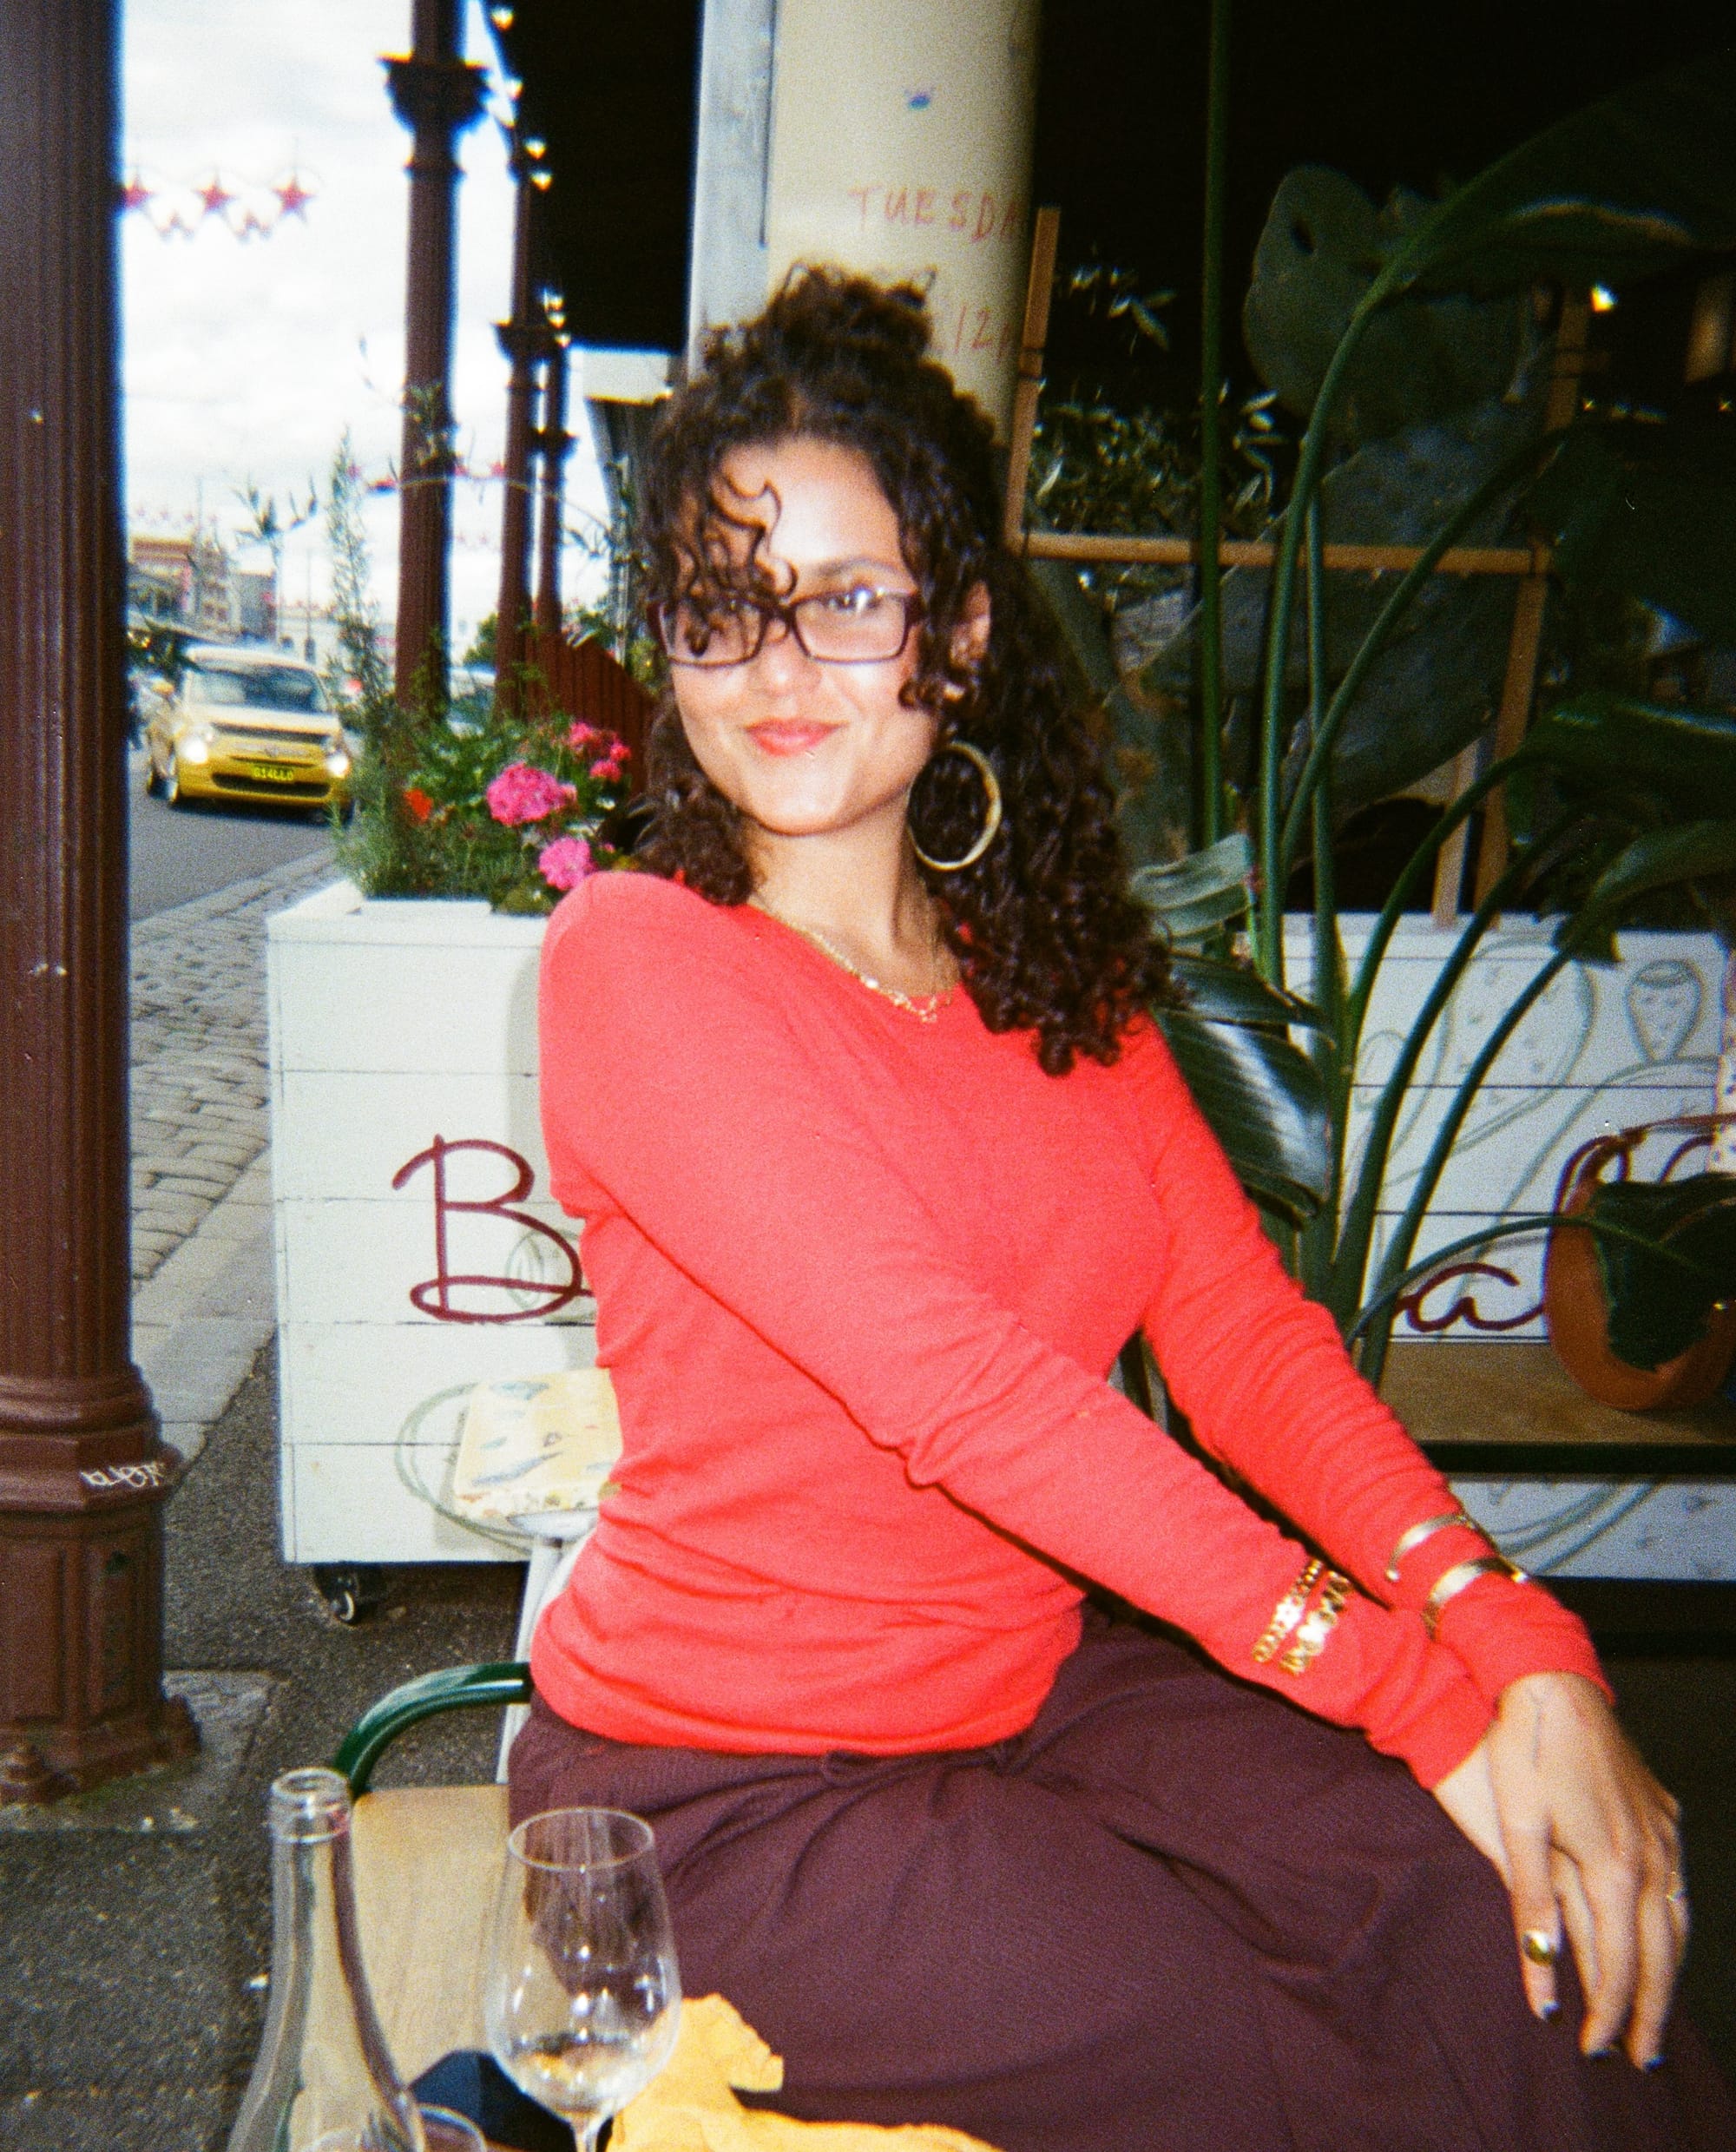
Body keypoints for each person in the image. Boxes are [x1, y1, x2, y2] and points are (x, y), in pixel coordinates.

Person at [514, 270, 1730, 2151]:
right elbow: (967, 1397)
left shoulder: (1054, 985)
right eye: (718, 609)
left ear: (961, 628)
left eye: (848, 601)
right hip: (728, 1782)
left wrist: (1521, 1646)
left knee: (1489, 1931)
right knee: (1254, 2062)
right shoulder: (639, 960)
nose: (775, 669)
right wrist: (1417, 1696)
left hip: (1032, 1694)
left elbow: (1249, 1346)